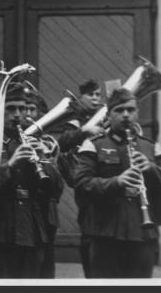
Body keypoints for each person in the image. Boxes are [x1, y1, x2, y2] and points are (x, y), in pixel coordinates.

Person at [73, 88, 161, 278]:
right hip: (105, 233)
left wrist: (152, 169)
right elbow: (81, 183)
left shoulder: (152, 147)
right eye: (119, 110)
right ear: (109, 115)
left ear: (137, 113)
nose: (126, 115)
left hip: (143, 233)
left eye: (130, 110)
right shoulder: (94, 145)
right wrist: (116, 182)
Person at [0, 83, 64, 278]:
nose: (18, 114)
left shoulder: (37, 140)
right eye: (11, 108)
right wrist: (10, 165)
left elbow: (56, 191)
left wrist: (43, 161)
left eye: (22, 108)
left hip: (32, 232)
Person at [55, 78, 105, 278]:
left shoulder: (105, 116)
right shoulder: (74, 121)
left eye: (98, 95)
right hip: (85, 179)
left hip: (105, 176)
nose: (95, 98)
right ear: (81, 97)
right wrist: (85, 131)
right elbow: (63, 142)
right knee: (90, 228)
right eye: (91, 94)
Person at [23, 91, 64, 278]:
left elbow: (57, 188)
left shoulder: (48, 143)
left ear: (41, 114)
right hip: (20, 214)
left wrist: (43, 158)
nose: (28, 114)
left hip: (45, 212)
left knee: (45, 269)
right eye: (24, 109)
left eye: (32, 109)